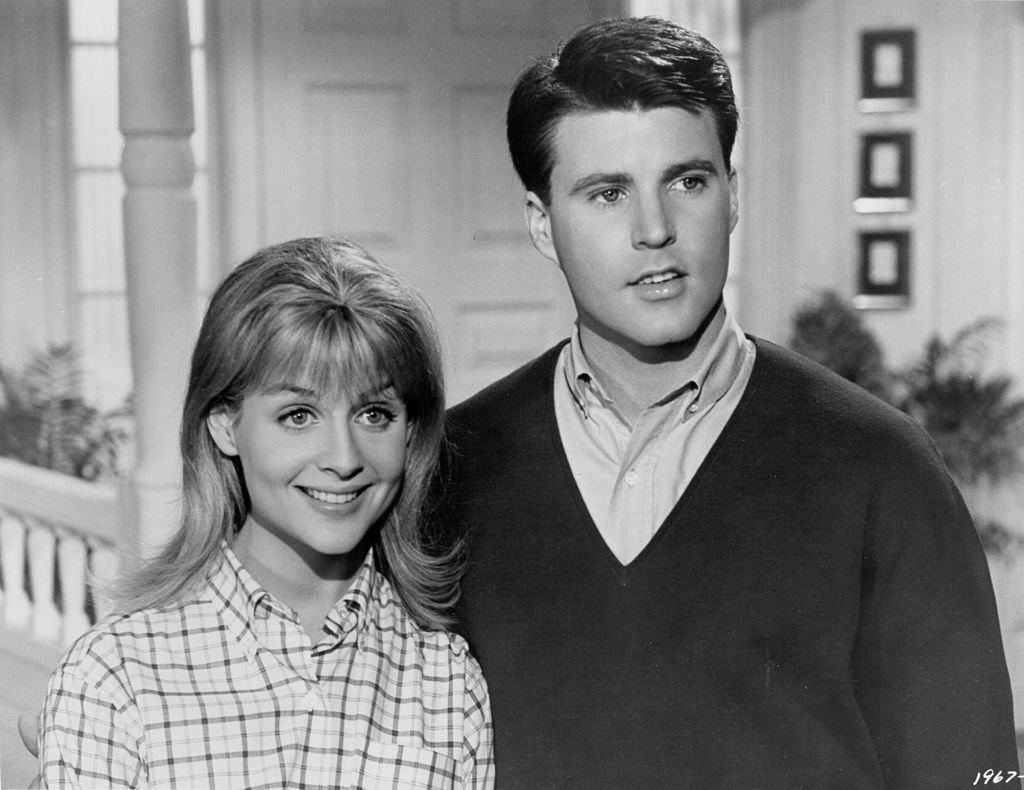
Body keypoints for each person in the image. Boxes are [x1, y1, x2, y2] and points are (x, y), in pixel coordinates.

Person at [439, 15, 1018, 789]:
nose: (656, 230)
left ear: (733, 196)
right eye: (608, 194)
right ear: (543, 226)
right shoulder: (453, 469)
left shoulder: (878, 465)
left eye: (688, 181)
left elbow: (968, 770)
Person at [36, 237, 494, 789]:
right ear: (224, 424)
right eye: (298, 415)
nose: (344, 459)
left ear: (410, 432)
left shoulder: (446, 679)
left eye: (374, 414)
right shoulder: (115, 676)